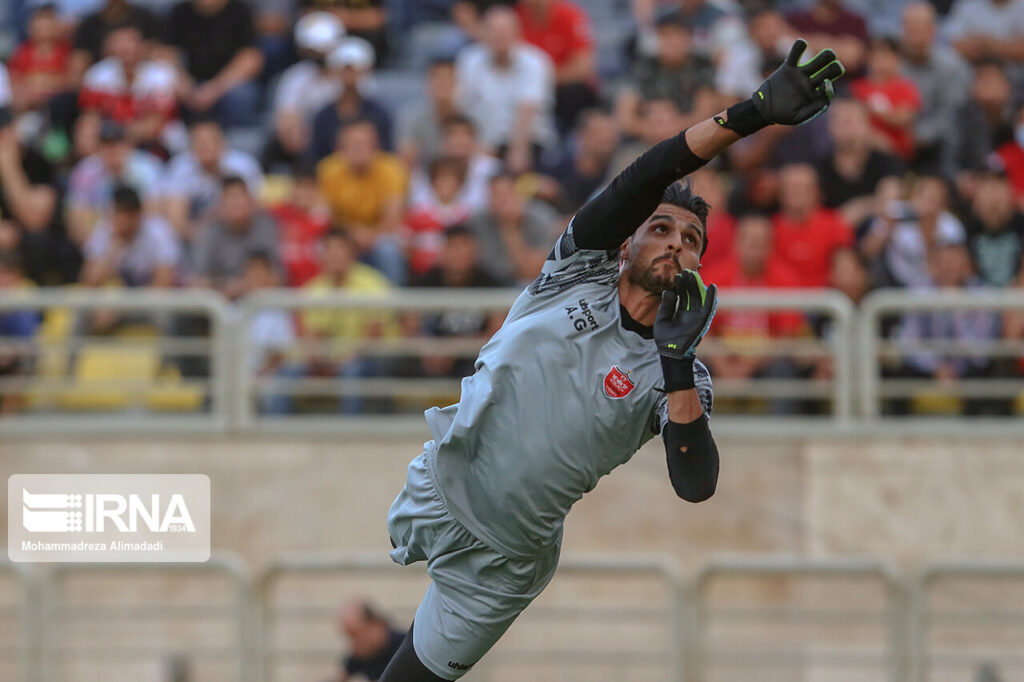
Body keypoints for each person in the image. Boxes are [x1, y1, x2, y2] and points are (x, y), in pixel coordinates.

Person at [379, 39, 845, 682]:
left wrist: (676, 359)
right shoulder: (575, 271)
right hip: (441, 484)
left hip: (507, 560)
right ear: (627, 242)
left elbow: (697, 483)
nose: (676, 243)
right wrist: (749, 115)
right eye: (661, 228)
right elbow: (641, 178)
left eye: (691, 239)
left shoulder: (681, 375)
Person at [455, 6, 557, 173]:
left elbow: (528, 107)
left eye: (505, 30)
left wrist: (518, 151)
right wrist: (474, 146)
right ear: (483, 32)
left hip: (526, 141)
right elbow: (462, 105)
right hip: (481, 143)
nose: (499, 35)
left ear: (517, 32)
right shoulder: (469, 60)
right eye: (494, 30)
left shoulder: (535, 61)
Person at [316, 118, 408, 284]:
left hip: (380, 235)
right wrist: (352, 234)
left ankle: (394, 298)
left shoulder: (392, 169)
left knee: (388, 249)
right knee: (317, 248)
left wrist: (369, 235)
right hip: (342, 236)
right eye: (352, 144)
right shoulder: (328, 170)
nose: (358, 149)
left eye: (364, 143)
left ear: (375, 145)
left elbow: (393, 218)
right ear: (341, 147)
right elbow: (324, 216)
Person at [163, 0, 264, 132]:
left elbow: (251, 59)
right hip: (190, 83)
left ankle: (239, 140)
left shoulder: (240, 11)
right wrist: (184, 83)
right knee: (163, 88)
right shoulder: (179, 12)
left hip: (227, 84)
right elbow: (166, 53)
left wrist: (214, 89)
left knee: (242, 95)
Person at [67, 119, 164, 246]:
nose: (112, 150)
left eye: (116, 144)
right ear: (98, 148)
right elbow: (77, 218)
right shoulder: (85, 171)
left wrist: (125, 227)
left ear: (127, 145)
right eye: (106, 145)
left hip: (139, 234)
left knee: (158, 229)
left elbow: (154, 210)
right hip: (101, 235)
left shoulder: (147, 168)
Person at [190, 176, 282, 298]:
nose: (237, 203)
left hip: (262, 300)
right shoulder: (210, 231)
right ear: (221, 204)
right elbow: (197, 280)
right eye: (230, 198)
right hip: (220, 302)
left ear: (250, 200)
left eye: (240, 196)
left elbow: (278, 276)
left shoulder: (266, 227)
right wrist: (228, 288)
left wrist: (249, 284)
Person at [464, 171, 556, 286]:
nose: (502, 201)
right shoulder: (477, 222)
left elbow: (532, 273)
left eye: (507, 195)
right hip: (485, 285)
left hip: (530, 287)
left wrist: (510, 228)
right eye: (496, 195)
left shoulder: (541, 218)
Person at [80, 184, 180, 288]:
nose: (123, 222)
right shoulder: (103, 230)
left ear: (138, 214)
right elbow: (89, 282)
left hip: (147, 296)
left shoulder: (158, 232)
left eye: (129, 216)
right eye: (118, 214)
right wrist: (113, 249)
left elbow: (163, 283)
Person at [771, 163, 853, 288]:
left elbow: (845, 267)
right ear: (780, 193)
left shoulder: (835, 225)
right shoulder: (769, 229)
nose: (796, 192)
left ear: (816, 191)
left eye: (802, 187)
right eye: (790, 187)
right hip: (781, 296)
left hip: (825, 296)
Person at [333, 600, 404, 682]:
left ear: (375, 625)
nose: (353, 643)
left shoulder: (405, 647)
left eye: (356, 635)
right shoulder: (362, 654)